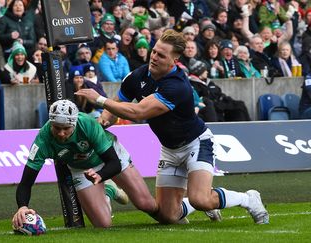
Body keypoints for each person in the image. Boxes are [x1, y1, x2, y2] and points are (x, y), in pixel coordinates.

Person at [75, 29, 269, 225]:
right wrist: (102, 122)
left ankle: (248, 198)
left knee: (200, 199)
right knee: (168, 216)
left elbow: (139, 112)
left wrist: (99, 99)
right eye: (154, 52)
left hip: (196, 143)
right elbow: (116, 106)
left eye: (161, 55)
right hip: (169, 150)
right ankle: (203, 204)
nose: (154, 57)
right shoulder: (138, 76)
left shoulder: (177, 86)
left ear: (174, 60)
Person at [12, 100, 155, 228]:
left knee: (146, 204)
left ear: (74, 124)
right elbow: (26, 182)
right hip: (81, 168)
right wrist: (22, 207)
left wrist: (101, 175)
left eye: (66, 128)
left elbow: (114, 163)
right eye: (57, 128)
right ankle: (109, 191)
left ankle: (108, 183)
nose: (61, 133)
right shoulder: (42, 141)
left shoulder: (87, 124)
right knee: (103, 224)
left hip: (110, 158)